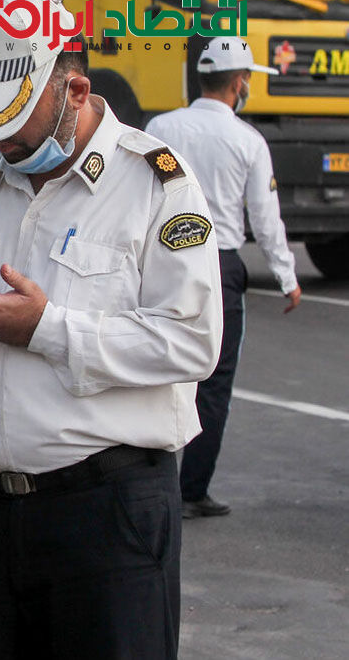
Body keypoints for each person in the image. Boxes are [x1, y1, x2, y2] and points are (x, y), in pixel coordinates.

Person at [0, 0, 222, 657]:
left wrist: (45, 328)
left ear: (74, 90)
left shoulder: (156, 183)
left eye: (14, 120)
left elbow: (193, 341)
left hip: (106, 520)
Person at [145, 38, 302, 519]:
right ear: (239, 83)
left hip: (164, 255)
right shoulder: (248, 140)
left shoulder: (160, 127)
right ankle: (191, 491)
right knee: (212, 379)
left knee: (151, 366)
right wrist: (286, 276)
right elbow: (265, 217)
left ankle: (145, 482)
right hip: (219, 263)